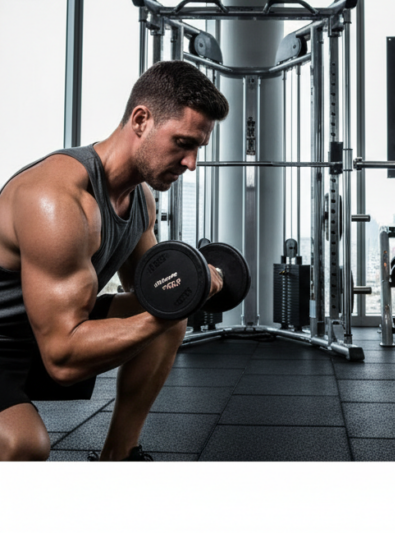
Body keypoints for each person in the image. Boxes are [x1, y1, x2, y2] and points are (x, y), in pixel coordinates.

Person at [0, 60, 229, 460]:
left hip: (39, 334)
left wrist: (193, 286)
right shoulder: (57, 201)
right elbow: (63, 361)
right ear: (141, 119)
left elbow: (151, 289)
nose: (192, 162)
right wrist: (173, 308)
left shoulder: (140, 200)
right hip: (20, 344)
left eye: (198, 148)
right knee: (23, 446)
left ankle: (118, 459)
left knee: (166, 310)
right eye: (182, 143)